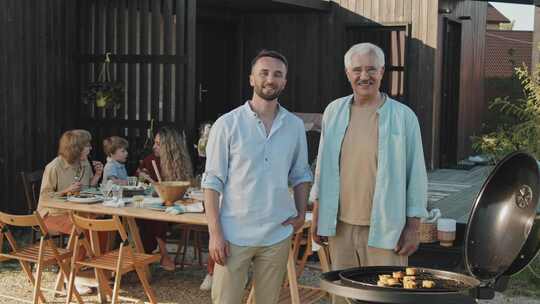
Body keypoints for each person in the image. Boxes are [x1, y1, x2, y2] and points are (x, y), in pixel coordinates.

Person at [309, 43, 428, 303]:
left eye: (371, 69)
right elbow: (323, 169)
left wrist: (414, 227)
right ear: (347, 73)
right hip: (340, 227)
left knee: (387, 297)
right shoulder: (333, 111)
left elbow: (416, 174)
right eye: (357, 70)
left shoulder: (403, 117)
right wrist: (318, 214)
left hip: (387, 228)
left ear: (382, 71)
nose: (365, 76)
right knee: (342, 296)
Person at [202, 50, 312, 304]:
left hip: (277, 233)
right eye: (264, 73)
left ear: (284, 82)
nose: (270, 79)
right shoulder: (227, 124)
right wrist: (215, 233)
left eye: (277, 75)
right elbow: (211, 182)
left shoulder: (294, 125)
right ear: (252, 79)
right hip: (233, 234)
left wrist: (300, 212)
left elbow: (300, 173)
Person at [38, 129, 105, 295]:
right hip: (51, 214)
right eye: (87, 145)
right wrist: (65, 191)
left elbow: (87, 189)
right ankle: (71, 277)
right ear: (75, 148)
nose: (90, 148)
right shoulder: (54, 166)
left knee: (103, 225)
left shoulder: (84, 164)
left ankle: (96, 270)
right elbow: (44, 198)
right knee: (84, 229)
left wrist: (97, 175)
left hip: (75, 213)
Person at [136, 126, 194, 271]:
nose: (154, 146)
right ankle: (164, 255)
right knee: (152, 218)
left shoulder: (180, 162)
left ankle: (150, 255)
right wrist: (144, 179)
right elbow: (142, 187)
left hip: (177, 205)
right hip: (156, 206)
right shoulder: (151, 161)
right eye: (154, 143)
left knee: (155, 217)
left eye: (158, 143)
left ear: (169, 146)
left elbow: (185, 187)